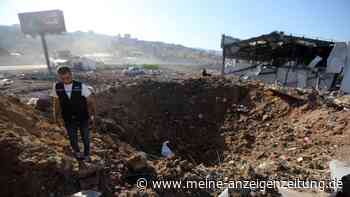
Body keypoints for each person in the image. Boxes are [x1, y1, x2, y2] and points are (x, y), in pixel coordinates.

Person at [52, 66, 96, 161]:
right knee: (72, 138)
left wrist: (93, 115)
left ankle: (87, 154)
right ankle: (78, 153)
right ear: (59, 77)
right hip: (68, 118)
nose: (65, 80)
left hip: (83, 117)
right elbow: (56, 102)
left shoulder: (81, 86)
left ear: (71, 75)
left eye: (67, 78)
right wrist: (55, 116)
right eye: (62, 78)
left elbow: (90, 102)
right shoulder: (57, 87)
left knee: (86, 138)